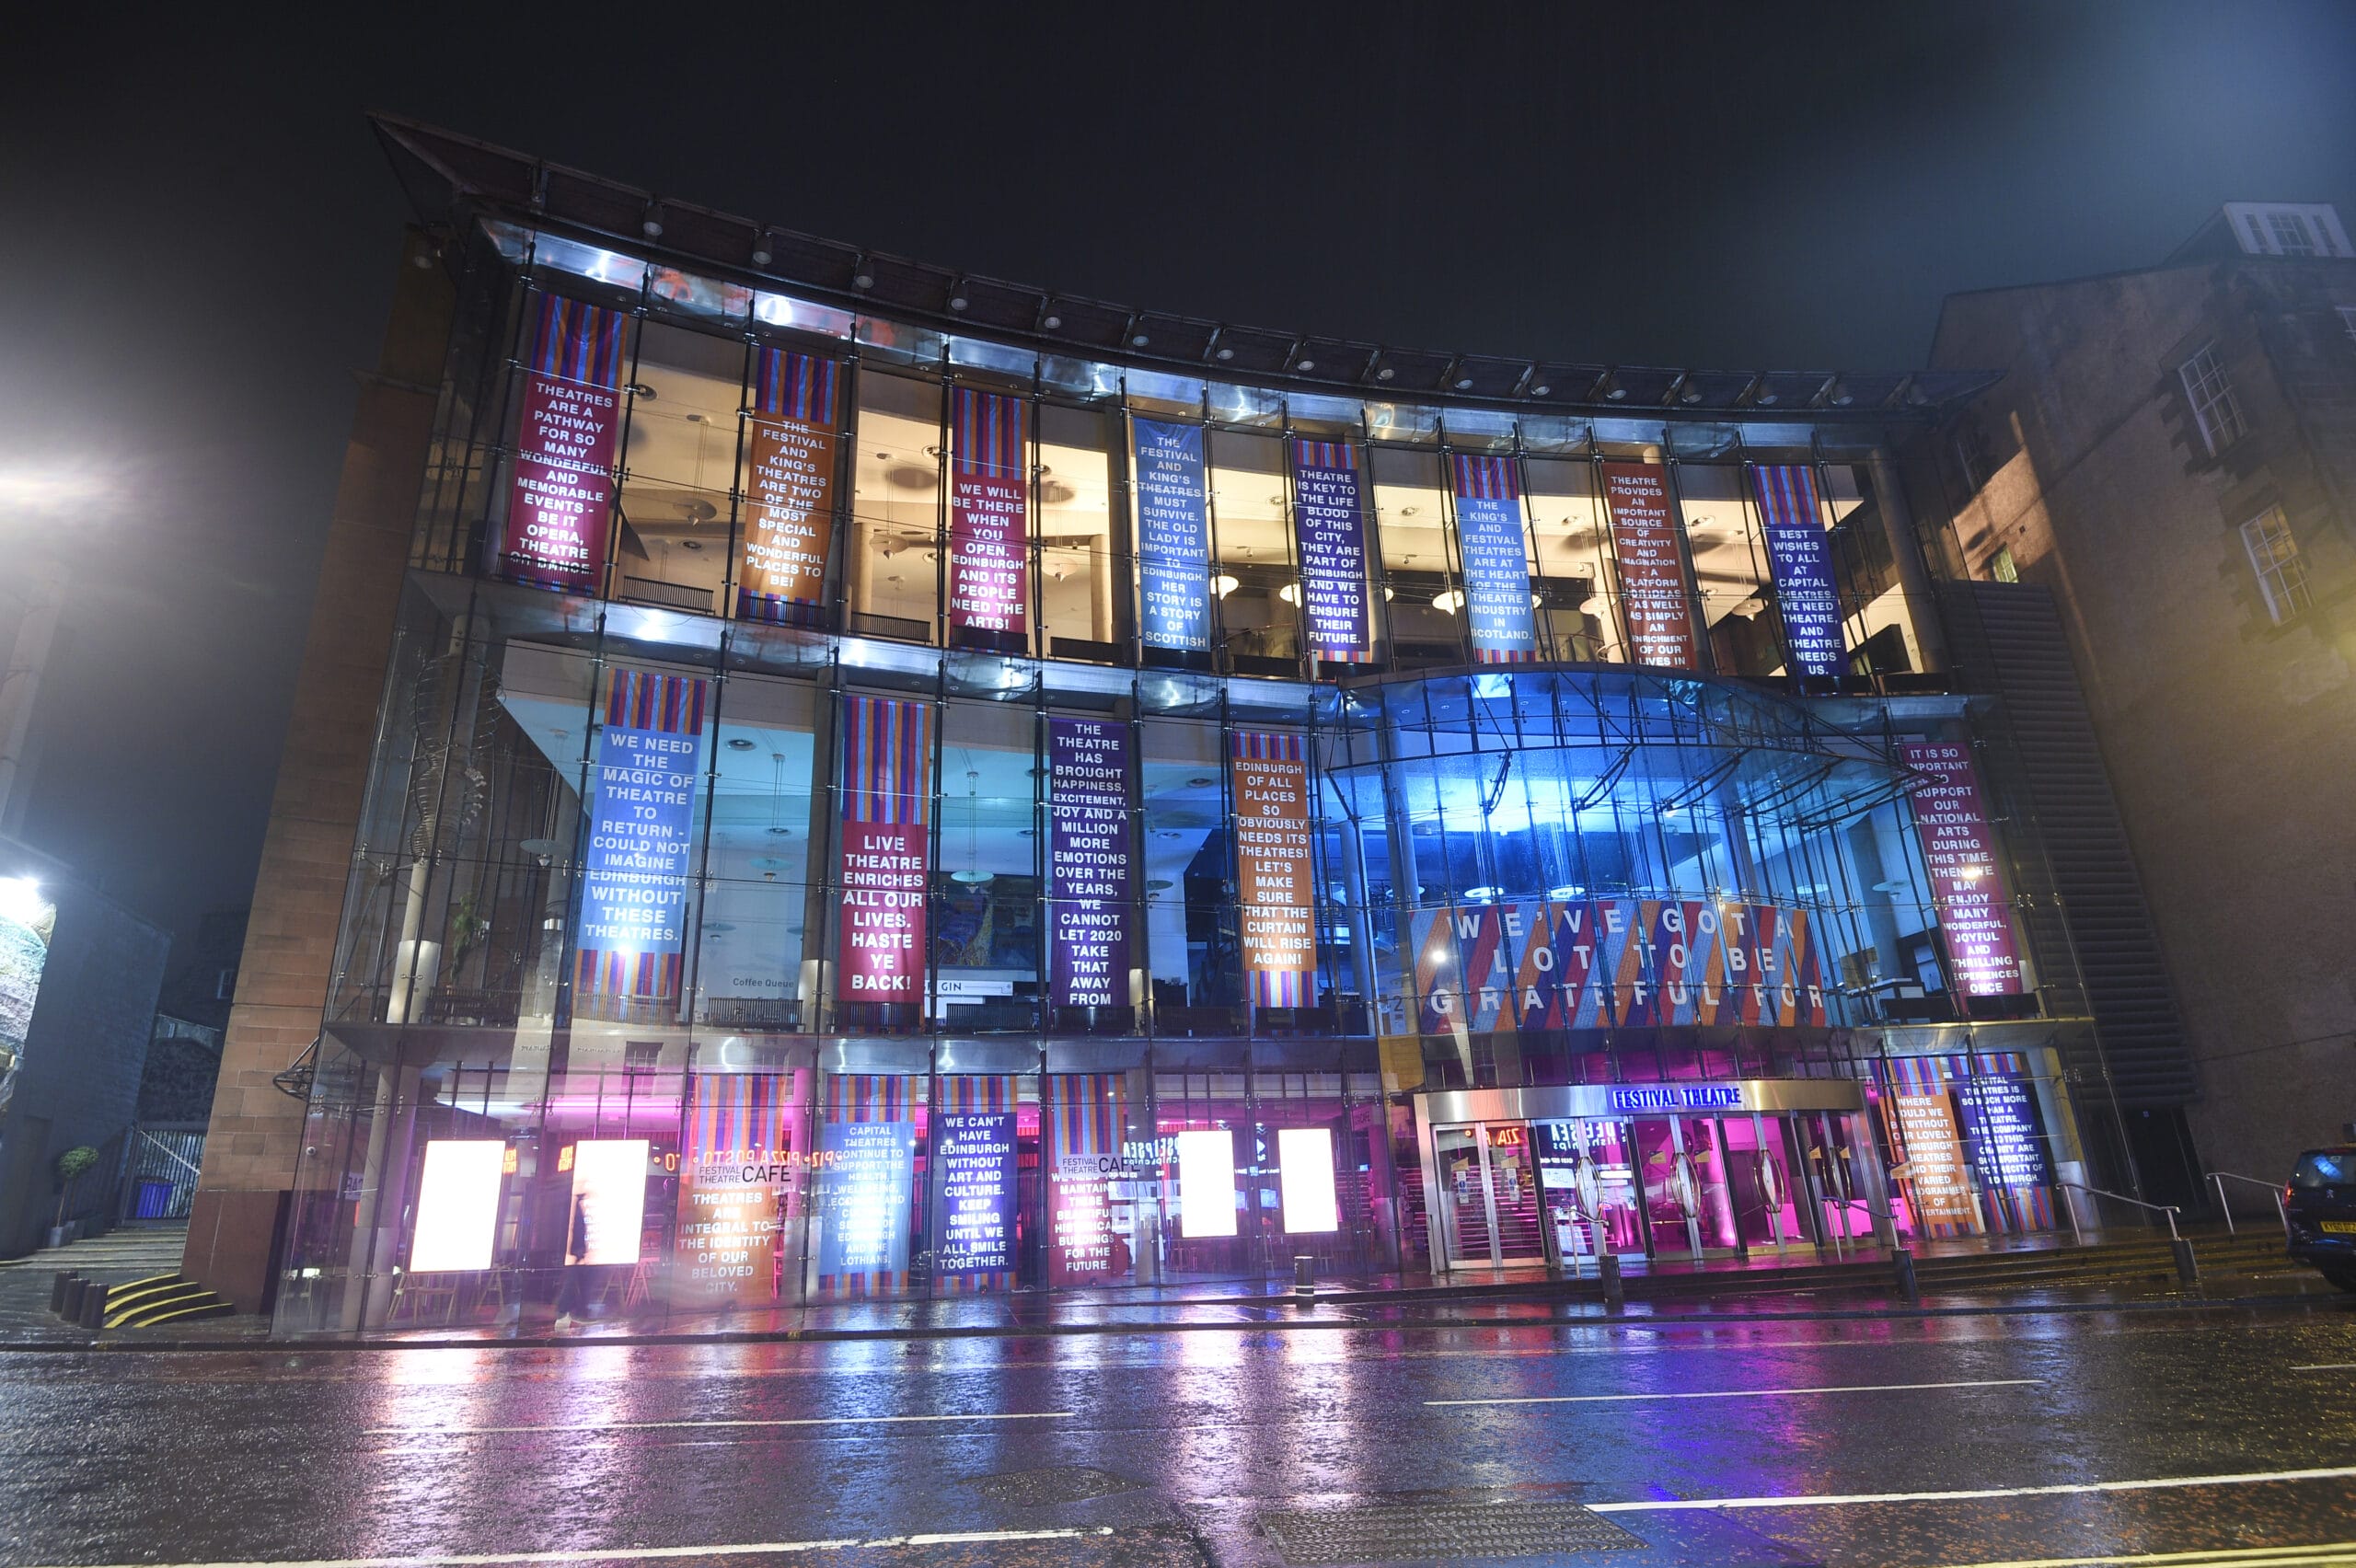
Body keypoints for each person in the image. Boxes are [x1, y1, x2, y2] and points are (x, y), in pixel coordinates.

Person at [552, 1194, 589, 1330]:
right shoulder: (572, 1209)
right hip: (572, 1251)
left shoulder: (568, 1209)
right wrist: (579, 1250)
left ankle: (568, 1311)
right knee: (572, 1280)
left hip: (571, 1252)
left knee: (572, 1280)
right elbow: (577, 1229)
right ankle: (565, 1311)